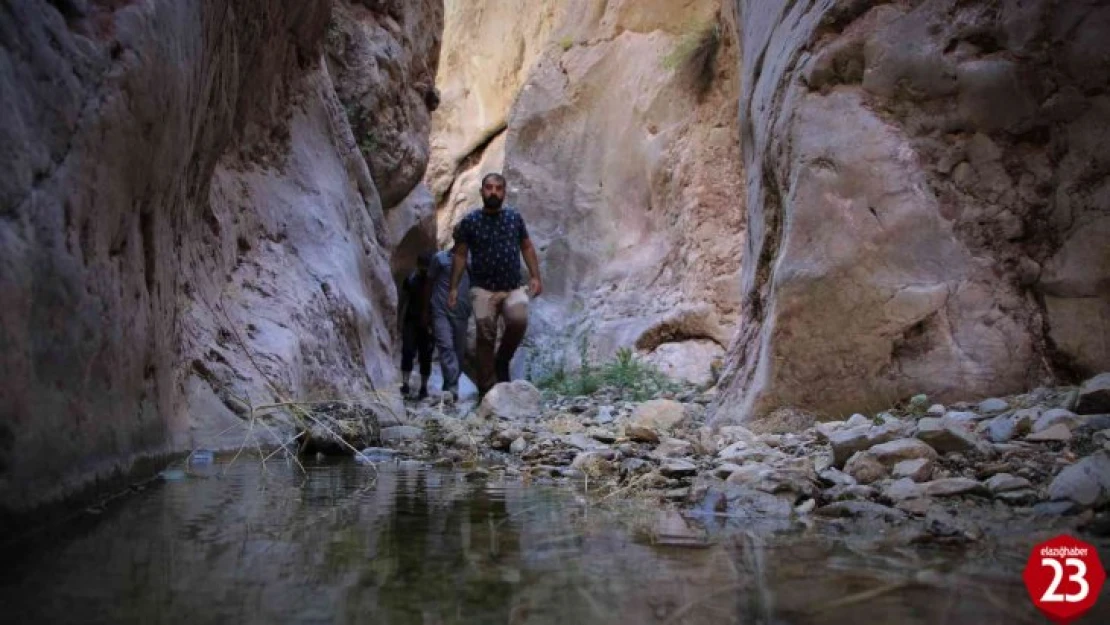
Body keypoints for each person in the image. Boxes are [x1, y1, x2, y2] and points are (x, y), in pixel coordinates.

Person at [447, 173, 543, 399]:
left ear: (504, 192)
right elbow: (460, 256)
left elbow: (527, 247)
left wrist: (535, 276)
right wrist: (453, 287)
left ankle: (503, 360)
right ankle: (487, 389)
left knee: (519, 320)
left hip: (512, 287)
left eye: (498, 188)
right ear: (481, 191)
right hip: (483, 289)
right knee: (485, 330)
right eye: (489, 188)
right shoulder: (470, 222)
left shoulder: (514, 218)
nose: (493, 192)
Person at [425, 247, 471, 401]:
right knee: (445, 346)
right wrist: (425, 310)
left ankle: (450, 387)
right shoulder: (439, 258)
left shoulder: (471, 261)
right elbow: (429, 283)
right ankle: (452, 388)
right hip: (440, 310)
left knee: (458, 352)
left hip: (461, 312)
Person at [398, 251, 434, 399]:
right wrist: (400, 320)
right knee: (408, 351)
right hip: (412, 320)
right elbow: (403, 300)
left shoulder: (433, 282)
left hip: (426, 323)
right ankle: (406, 383)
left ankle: (423, 387)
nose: (424, 270)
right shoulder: (411, 280)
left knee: (425, 355)